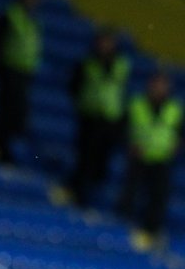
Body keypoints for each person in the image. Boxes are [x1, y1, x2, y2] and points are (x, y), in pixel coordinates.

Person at [67, 29, 130, 207]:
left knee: (103, 159)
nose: (105, 45)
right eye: (103, 41)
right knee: (85, 157)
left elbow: (122, 92)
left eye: (109, 42)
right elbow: (74, 86)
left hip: (111, 119)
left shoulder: (121, 64)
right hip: (90, 118)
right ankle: (79, 193)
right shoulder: (87, 63)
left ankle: (93, 194)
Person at [120, 70, 181, 242]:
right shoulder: (136, 104)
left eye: (163, 85)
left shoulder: (175, 108)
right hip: (139, 157)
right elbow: (123, 127)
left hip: (162, 159)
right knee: (131, 193)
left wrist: (177, 146)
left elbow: (179, 132)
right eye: (157, 84)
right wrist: (129, 144)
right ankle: (122, 229)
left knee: (158, 197)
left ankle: (151, 231)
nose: (159, 88)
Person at [0, 0, 42, 164]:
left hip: (24, 73)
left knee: (18, 113)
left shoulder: (33, 19)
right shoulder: (11, 14)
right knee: (9, 109)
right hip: (9, 70)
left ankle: (4, 145)